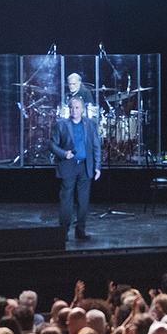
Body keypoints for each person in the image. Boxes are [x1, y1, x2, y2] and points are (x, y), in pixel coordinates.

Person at [50, 95, 100, 242]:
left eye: (77, 107)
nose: (74, 110)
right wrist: (64, 153)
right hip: (68, 167)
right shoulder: (61, 125)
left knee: (83, 201)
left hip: (85, 167)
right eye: (72, 107)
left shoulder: (90, 124)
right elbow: (52, 145)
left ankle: (80, 231)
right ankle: (63, 232)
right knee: (66, 201)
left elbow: (96, 146)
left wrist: (97, 167)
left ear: (83, 109)